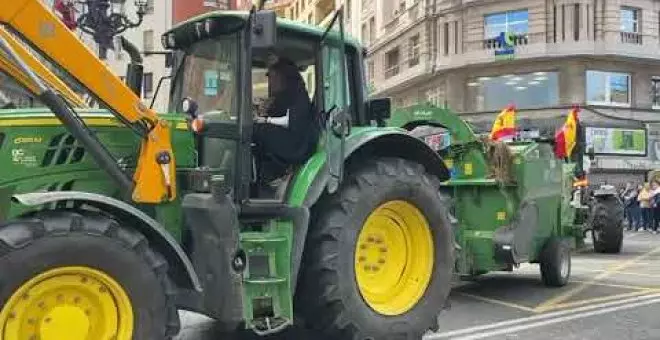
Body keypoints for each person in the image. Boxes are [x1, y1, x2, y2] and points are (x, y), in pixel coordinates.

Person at [252, 57, 319, 184]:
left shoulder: (298, 96)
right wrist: (265, 110)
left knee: (256, 130)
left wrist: (266, 120)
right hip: (290, 138)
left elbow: (292, 121)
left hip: (298, 144)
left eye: (273, 77)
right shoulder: (282, 96)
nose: (270, 82)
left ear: (284, 78)